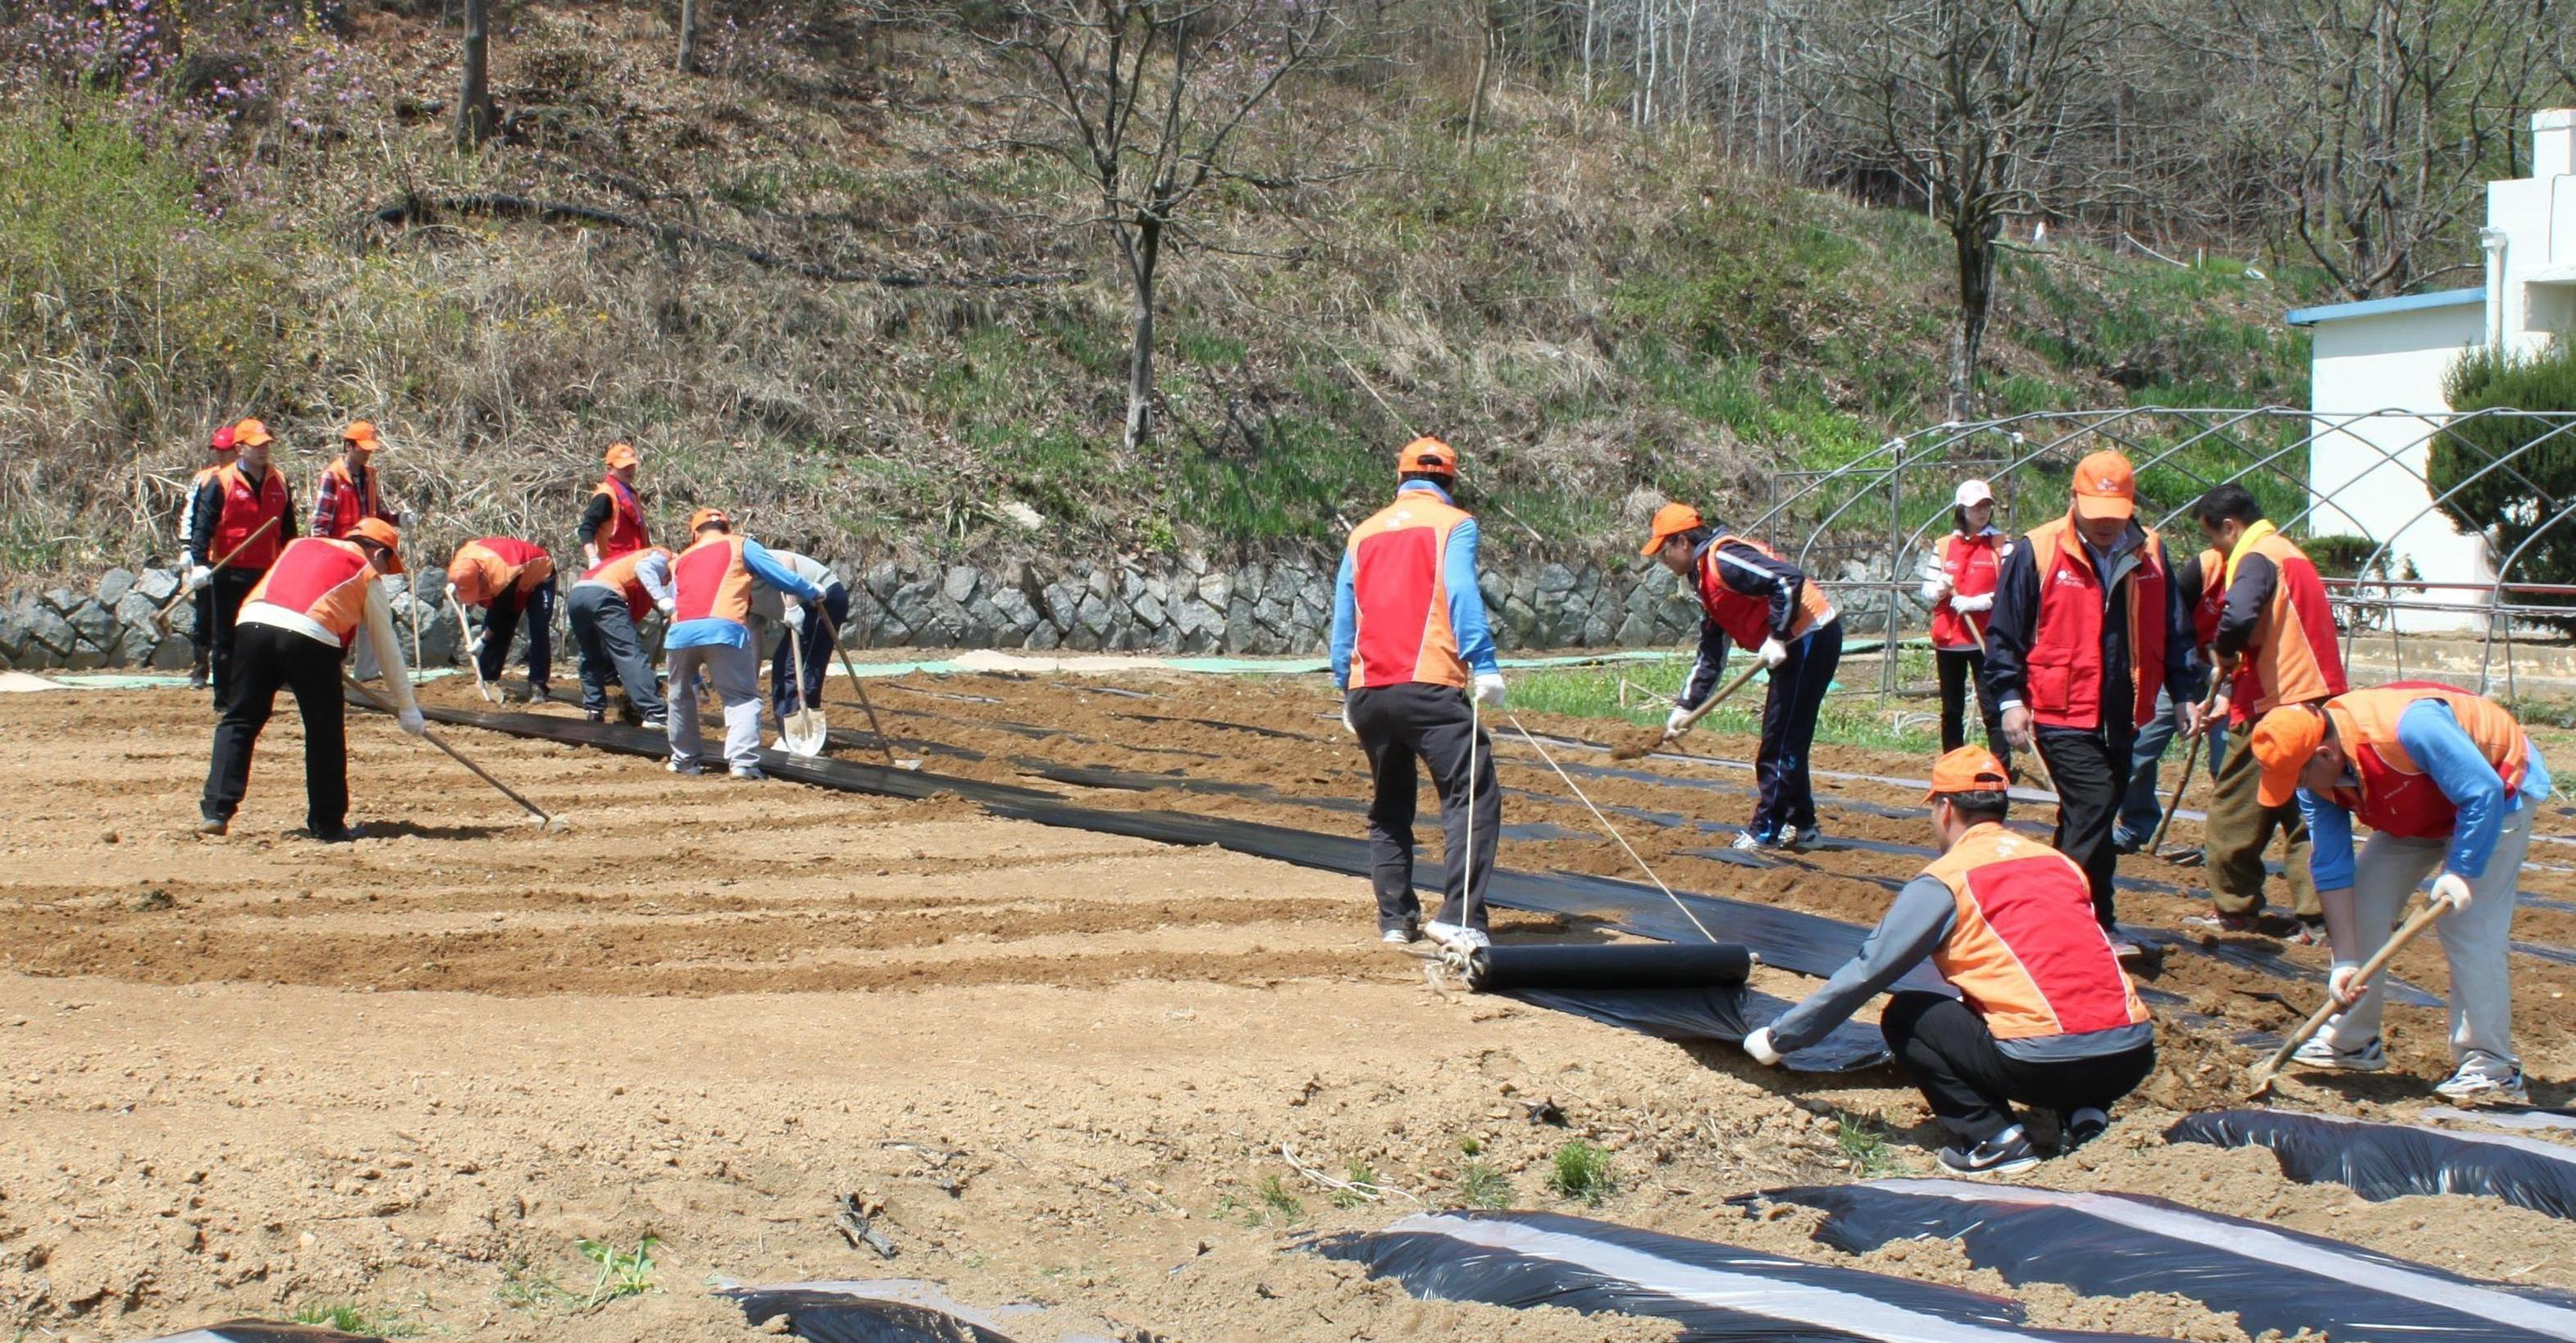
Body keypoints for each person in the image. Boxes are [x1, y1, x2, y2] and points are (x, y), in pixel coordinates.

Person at [1743, 745, 2155, 1176]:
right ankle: (2085, 1116)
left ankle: (1994, 1139)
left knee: (1909, 1015)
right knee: (2053, 986)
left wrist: (1781, 1038)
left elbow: (1870, 971)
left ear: (1944, 808)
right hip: (2131, 1056)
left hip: (2040, 1064)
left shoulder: (1947, 879)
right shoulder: (2060, 865)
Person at [2253, 684, 2551, 1104]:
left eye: (2298, 776)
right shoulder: (2318, 780)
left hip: (2496, 795)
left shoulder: (2410, 728)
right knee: (2364, 902)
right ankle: (2351, 1040)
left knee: (2469, 924)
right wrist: (2347, 961)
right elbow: (2333, 867)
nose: (2298, 786)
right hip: (2419, 806)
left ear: (2324, 755)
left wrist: (2461, 872)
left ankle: (2491, 1066)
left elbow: (2481, 791)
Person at [1983, 449, 2201, 954]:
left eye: (2115, 516)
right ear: (2074, 501)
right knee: (2095, 803)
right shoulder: (2037, 551)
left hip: (2122, 708)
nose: (2105, 526)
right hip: (2059, 707)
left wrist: (2185, 692)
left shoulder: (2151, 552)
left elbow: (2175, 629)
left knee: (2091, 815)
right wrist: (2010, 698)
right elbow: (2005, 633)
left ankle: (2092, 918)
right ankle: (2059, 922)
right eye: (2095, 515)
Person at [1329, 436, 1506, 950]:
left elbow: (1345, 618)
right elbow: (1461, 591)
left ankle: (1395, 919)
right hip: (1428, 685)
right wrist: (1484, 662)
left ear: (1400, 479)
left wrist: (1346, 685)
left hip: (1370, 692)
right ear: (1449, 482)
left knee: (1389, 806)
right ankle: (1459, 916)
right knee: (1471, 796)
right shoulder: (1456, 524)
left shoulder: (1361, 533)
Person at [198, 519, 426, 841]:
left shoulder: (299, 545)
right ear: (377, 551)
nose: (386, 571)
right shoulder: (365, 572)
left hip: (253, 623)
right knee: (324, 730)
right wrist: (407, 707)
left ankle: (216, 810)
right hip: (310, 635)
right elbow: (385, 646)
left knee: (241, 718)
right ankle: (327, 822)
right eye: (388, 562)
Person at [2192, 484, 2349, 940]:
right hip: (2319, 696)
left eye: (2216, 540)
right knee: (2308, 810)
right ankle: (2320, 916)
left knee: (2235, 809)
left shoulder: (2255, 556)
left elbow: (2239, 617)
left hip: (2277, 702)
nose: (2216, 552)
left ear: (2229, 526)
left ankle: (2234, 909)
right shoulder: (2290, 552)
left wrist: (2223, 653)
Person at [1641, 502, 1841, 850]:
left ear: (1683, 543)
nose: (1663, 559)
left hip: (1810, 636)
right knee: (1785, 735)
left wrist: (1777, 636)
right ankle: (1803, 825)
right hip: (1794, 643)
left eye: (1664, 550)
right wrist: (1685, 707)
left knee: (1780, 740)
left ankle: (1767, 829)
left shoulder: (1723, 559)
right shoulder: (1704, 579)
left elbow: (1786, 579)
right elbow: (1711, 654)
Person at [664, 508, 827, 780]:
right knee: (740, 698)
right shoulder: (741, 545)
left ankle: (684, 761)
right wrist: (811, 591)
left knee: (680, 698)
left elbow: (677, 600)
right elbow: (778, 574)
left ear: (695, 533)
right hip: (724, 629)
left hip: (680, 634)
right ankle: (742, 764)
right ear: (726, 527)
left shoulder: (681, 559)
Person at [2113, 540, 2229, 853]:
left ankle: (2226, 847)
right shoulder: (2207, 567)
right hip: (2185, 667)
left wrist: (2228, 689)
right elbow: (2173, 621)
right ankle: (2137, 825)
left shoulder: (2267, 570)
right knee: (2139, 746)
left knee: (2227, 763)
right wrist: (2183, 688)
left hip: (2235, 678)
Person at [183, 417, 295, 710]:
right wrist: (198, 562)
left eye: (266, 445)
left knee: (263, 636)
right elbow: (203, 525)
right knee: (226, 638)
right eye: (256, 446)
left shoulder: (280, 480)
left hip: (266, 571)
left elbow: (288, 529)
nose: (263, 451)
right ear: (240, 448)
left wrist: (290, 561)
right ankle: (224, 699)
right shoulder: (220, 482)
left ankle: (258, 693)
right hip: (228, 569)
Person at [1921, 478, 2010, 765]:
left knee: (1991, 706)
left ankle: (2000, 763)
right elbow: (1927, 589)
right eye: (1975, 508)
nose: (1981, 513)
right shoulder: (1945, 546)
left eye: (1986, 506)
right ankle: (1954, 763)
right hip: (1950, 639)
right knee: (1952, 707)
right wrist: (1938, 589)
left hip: (1985, 638)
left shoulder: (2002, 545)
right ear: (1961, 510)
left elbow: (2010, 592)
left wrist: (1979, 602)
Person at [569, 545, 674, 727]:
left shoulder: (624, 559)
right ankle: (655, 714)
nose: (665, 583)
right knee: (629, 653)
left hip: (578, 594)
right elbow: (645, 569)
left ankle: (594, 709)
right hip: (603, 594)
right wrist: (661, 598)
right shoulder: (664, 555)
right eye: (667, 580)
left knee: (589, 654)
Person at [446, 537, 559, 705]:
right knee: (496, 631)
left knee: (538, 628)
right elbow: (464, 577)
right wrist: (456, 586)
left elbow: (501, 615)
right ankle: (487, 679)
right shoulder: (462, 561)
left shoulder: (502, 574)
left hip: (539, 575)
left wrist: (483, 640)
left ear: (482, 578)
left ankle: (538, 684)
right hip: (514, 575)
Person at [750, 549, 851, 729]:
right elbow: (754, 641)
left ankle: (801, 731)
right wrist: (751, 682)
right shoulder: (735, 597)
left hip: (823, 597)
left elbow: (787, 561)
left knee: (798, 668)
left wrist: (792, 605)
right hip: (803, 607)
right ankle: (790, 734)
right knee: (782, 666)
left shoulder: (745, 557)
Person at [180, 421, 239, 692]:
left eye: (225, 450)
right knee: (204, 618)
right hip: (209, 560)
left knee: (234, 622)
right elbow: (191, 516)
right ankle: (199, 668)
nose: (220, 455)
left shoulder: (245, 479)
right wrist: (188, 551)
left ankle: (233, 673)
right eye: (217, 450)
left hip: (236, 559)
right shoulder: (204, 479)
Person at [312, 421, 401, 540]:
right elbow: (320, 526)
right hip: (342, 551)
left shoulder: (370, 476)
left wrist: (399, 519)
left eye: (369, 449)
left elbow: (376, 516)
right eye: (362, 448)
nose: (367, 453)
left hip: (365, 550)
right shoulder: (333, 477)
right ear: (349, 446)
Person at [581, 442, 652, 569]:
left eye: (631, 466)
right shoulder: (605, 496)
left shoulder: (630, 493)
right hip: (613, 568)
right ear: (610, 469)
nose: (629, 470)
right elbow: (586, 528)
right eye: (623, 467)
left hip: (636, 565)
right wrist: (592, 558)